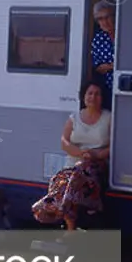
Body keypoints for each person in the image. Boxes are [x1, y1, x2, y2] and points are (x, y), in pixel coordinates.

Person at [32, 81, 111, 231]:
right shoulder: (75, 118)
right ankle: (67, 220)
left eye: (97, 94)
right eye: (90, 93)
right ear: (84, 96)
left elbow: (114, 145)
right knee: (60, 180)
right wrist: (81, 153)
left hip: (97, 166)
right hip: (74, 165)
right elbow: (64, 142)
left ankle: (62, 215)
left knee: (77, 174)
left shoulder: (109, 118)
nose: (93, 97)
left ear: (102, 98)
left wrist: (96, 154)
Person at [91, 0, 115, 110]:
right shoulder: (98, 39)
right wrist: (114, 66)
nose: (104, 22)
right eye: (100, 19)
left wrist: (109, 66)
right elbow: (98, 68)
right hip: (107, 90)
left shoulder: (127, 33)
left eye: (107, 17)